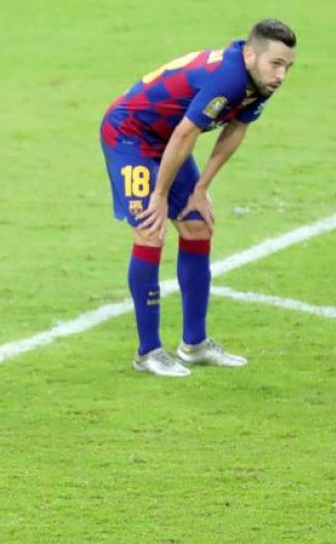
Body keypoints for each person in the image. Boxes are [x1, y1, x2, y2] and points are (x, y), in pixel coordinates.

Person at [100, 19, 298, 377]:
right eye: (276, 64)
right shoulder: (230, 77)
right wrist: (159, 196)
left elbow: (236, 129)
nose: (282, 75)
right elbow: (186, 132)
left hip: (167, 140)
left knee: (196, 226)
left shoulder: (261, 80)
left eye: (288, 67)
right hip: (131, 134)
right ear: (251, 54)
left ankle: (194, 345)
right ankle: (148, 352)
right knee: (150, 229)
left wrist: (200, 189)